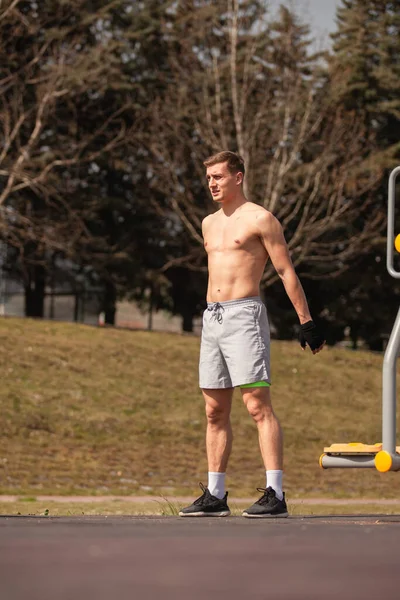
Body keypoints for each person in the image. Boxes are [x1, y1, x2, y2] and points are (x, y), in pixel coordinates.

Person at [179, 151, 325, 518]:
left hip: (245, 315)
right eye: (209, 177)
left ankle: (275, 493)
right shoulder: (208, 223)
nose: (212, 183)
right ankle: (215, 494)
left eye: (219, 176)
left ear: (238, 177)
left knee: (257, 405)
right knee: (214, 410)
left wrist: (306, 320)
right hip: (212, 318)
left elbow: (286, 270)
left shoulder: (261, 219)